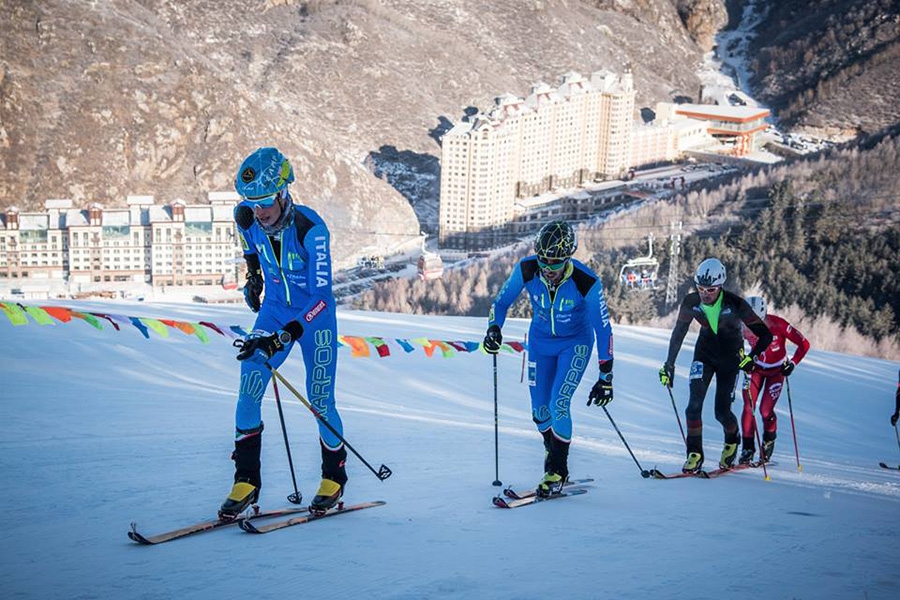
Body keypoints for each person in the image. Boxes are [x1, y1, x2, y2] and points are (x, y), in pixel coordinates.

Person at [220, 146, 347, 520]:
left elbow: (323, 296)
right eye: (252, 202)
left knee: (320, 400)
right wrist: (254, 276)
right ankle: (246, 480)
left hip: (314, 319)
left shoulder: (312, 230)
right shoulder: (245, 217)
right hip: (274, 311)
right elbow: (249, 247)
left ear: (283, 192)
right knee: (249, 386)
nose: (258, 211)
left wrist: (292, 331)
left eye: (264, 201)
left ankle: (334, 477)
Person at [483, 220, 614, 497]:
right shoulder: (527, 269)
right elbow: (501, 302)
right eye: (543, 259)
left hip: (574, 344)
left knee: (559, 403)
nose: (547, 268)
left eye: (554, 262)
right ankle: (552, 450)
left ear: (568, 258)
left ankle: (557, 469)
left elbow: (603, 328)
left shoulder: (585, 281)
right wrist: (494, 328)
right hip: (540, 343)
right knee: (540, 411)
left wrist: (606, 375)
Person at [658, 258, 772, 473]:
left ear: (720, 286)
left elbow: (766, 335)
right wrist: (669, 364)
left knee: (721, 411)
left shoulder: (735, 304)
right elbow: (679, 332)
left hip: (730, 357)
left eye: (710, 290)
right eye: (700, 288)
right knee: (693, 406)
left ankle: (732, 441)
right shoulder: (691, 302)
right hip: (704, 354)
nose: (705, 294)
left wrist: (752, 357)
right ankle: (694, 454)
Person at [739, 296, 811, 464]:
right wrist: (742, 358)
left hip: (776, 372)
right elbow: (734, 343)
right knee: (748, 406)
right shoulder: (744, 325)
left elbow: (804, 344)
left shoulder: (778, 324)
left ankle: (769, 439)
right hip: (756, 369)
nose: (752, 325)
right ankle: (747, 448)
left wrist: (792, 363)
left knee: (765, 410)